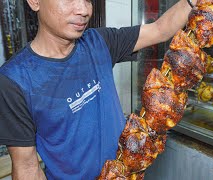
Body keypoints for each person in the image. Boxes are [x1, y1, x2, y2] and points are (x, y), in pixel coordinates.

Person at [0, 0, 198, 179]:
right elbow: (27, 167)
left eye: (87, 0)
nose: (83, 9)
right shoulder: (14, 80)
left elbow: (159, 29)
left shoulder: (98, 43)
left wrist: (192, 2)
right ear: (35, 2)